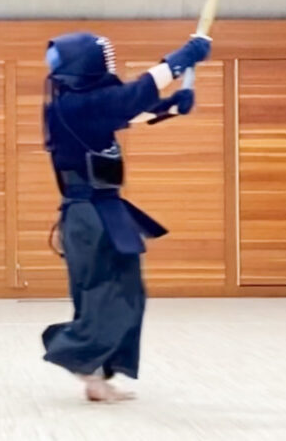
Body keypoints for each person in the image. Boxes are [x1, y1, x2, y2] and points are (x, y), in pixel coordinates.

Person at [41, 32, 211, 402]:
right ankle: (76, 353)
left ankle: (96, 376)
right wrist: (182, 58)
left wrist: (169, 108)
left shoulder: (75, 105)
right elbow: (131, 97)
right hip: (90, 215)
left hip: (100, 211)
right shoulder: (74, 105)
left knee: (113, 292)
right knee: (111, 293)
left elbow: (125, 113)